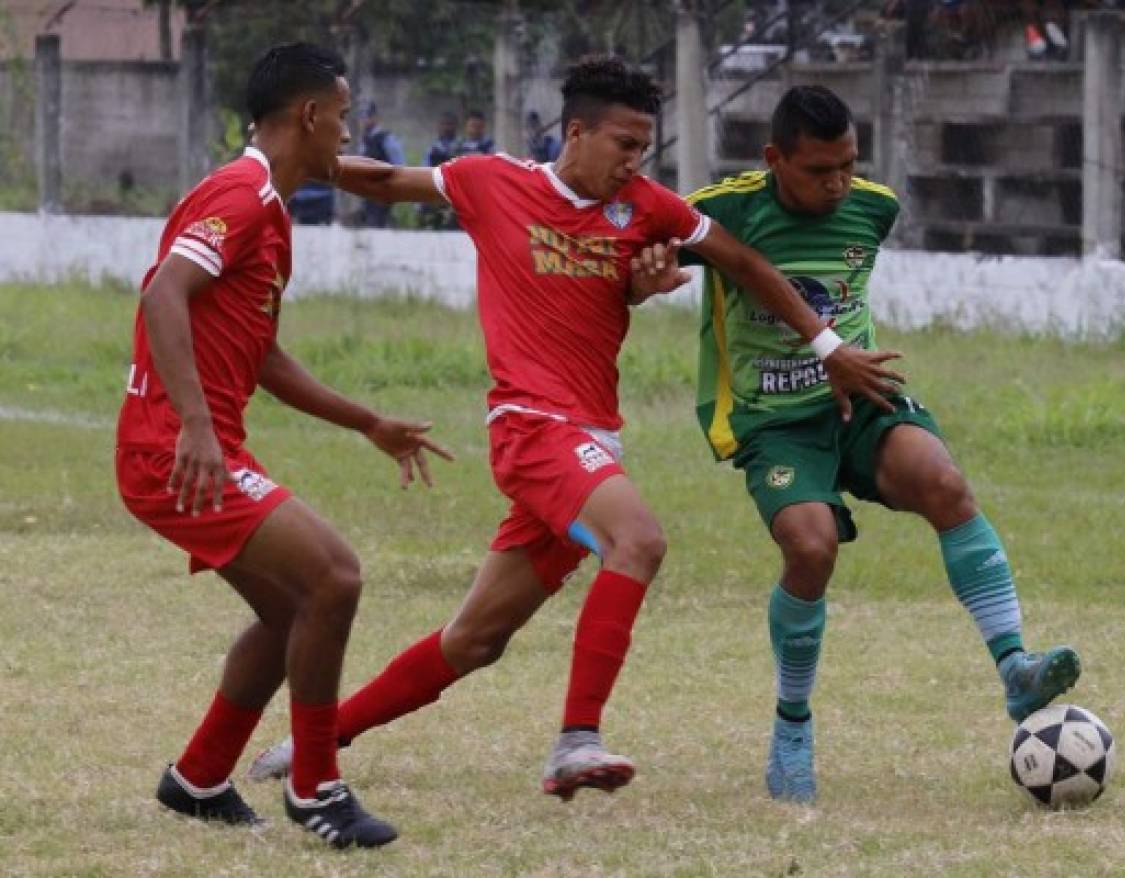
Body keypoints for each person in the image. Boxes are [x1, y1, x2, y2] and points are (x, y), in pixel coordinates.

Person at [246, 56, 902, 801]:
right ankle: (576, 740)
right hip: (532, 429)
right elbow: (384, 182)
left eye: (644, 148)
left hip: (589, 443)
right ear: (577, 131)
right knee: (640, 540)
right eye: (623, 144)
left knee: (475, 640)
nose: (635, 162)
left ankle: (316, 738)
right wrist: (292, 161)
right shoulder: (495, 182)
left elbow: (745, 262)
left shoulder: (647, 209)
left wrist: (822, 346)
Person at [639, 85, 1081, 803]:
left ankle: (1014, 669)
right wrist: (645, 282)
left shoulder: (875, 207)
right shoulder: (723, 208)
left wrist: (844, 356)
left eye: (848, 164)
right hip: (770, 417)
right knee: (810, 548)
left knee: (945, 483)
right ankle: (791, 727)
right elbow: (642, 262)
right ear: (774, 159)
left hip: (862, 398)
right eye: (819, 170)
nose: (839, 183)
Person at [114, 42, 451, 847]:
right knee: (333, 577)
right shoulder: (242, 193)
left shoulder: (267, 208)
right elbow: (164, 291)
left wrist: (365, 421)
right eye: (341, 115)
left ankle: (197, 778)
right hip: (173, 448)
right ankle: (316, 787)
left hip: (194, 441)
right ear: (309, 115)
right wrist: (196, 426)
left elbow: (258, 355)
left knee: (287, 610)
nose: (346, 130)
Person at [357, 100, 405, 228]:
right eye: (361, 116)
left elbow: (399, 164)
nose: (363, 120)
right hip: (368, 193)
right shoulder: (364, 140)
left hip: (384, 192)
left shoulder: (386, 138)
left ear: (375, 117)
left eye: (367, 116)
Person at [420, 112, 460, 230]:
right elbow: (424, 171)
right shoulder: (433, 149)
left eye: (450, 124)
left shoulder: (461, 146)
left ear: (456, 126)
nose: (447, 128)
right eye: (444, 124)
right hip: (435, 194)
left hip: (455, 196)